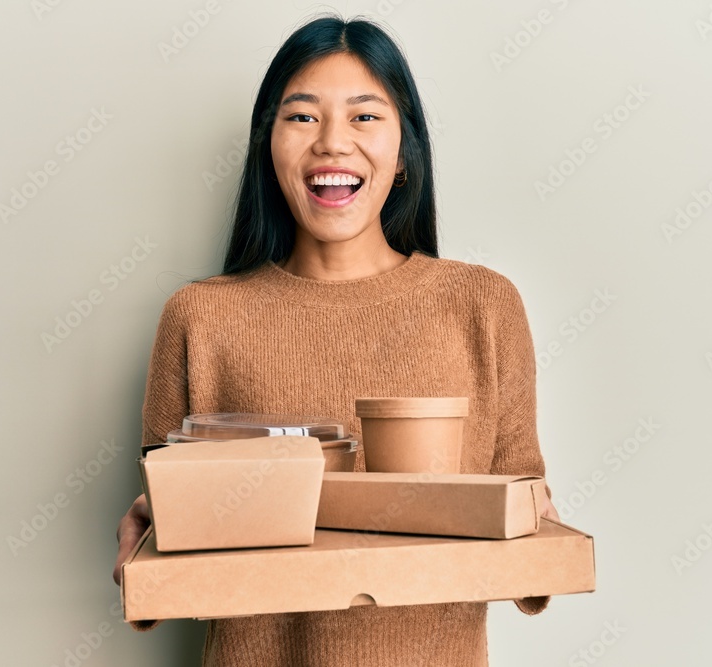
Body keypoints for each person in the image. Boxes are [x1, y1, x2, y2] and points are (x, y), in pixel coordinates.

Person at [113, 14, 559, 666]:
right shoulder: (198, 319)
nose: (331, 143)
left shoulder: (483, 306)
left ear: (405, 151)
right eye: (301, 117)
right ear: (268, 146)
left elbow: (532, 543)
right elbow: (166, 561)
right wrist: (149, 543)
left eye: (364, 116)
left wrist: (535, 522)